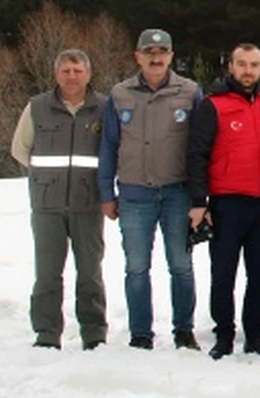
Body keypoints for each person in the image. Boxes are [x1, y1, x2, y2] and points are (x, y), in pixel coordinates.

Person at [97, 28, 202, 351]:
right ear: (138, 56)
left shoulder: (189, 92)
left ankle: (184, 330)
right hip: (134, 195)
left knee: (181, 266)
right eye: (149, 52)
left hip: (177, 194)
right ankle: (140, 333)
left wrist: (200, 197)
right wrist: (106, 193)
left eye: (162, 52)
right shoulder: (119, 94)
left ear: (171, 56)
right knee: (136, 268)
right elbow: (108, 146)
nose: (155, 58)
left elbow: (200, 147)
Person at [186, 43, 260, 359]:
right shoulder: (212, 105)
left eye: (254, 64)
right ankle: (224, 335)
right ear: (231, 66)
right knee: (224, 272)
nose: (248, 70)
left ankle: (254, 334)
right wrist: (199, 201)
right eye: (242, 64)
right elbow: (197, 155)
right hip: (227, 203)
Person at [11, 49, 107, 350]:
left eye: (78, 70)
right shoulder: (37, 107)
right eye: (66, 70)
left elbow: (113, 151)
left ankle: (94, 334)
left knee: (90, 273)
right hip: (47, 206)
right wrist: (45, 178)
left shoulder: (104, 108)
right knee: (48, 274)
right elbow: (19, 148)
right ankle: (47, 332)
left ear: (88, 74)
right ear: (56, 74)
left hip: (87, 203)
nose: (72, 76)